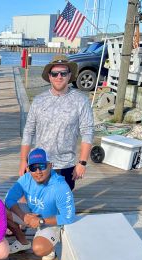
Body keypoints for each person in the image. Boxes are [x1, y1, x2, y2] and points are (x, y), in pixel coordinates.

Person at [19, 55, 94, 191]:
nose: (59, 77)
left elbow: (87, 132)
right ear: (49, 76)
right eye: (55, 73)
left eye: (63, 73)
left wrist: (82, 162)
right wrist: (23, 160)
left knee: (61, 206)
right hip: (40, 164)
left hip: (66, 165)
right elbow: (28, 131)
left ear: (69, 75)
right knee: (39, 206)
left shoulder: (81, 101)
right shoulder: (38, 100)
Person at [6, 147, 75, 260]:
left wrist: (41, 221)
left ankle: (50, 243)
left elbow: (69, 216)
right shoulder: (25, 179)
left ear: (50, 165)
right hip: (31, 214)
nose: (38, 171)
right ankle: (23, 241)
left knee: (39, 248)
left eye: (42, 166)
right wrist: (24, 216)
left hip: (50, 221)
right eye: (34, 168)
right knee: (0, 211)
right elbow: (9, 199)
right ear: (28, 169)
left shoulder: (60, 186)